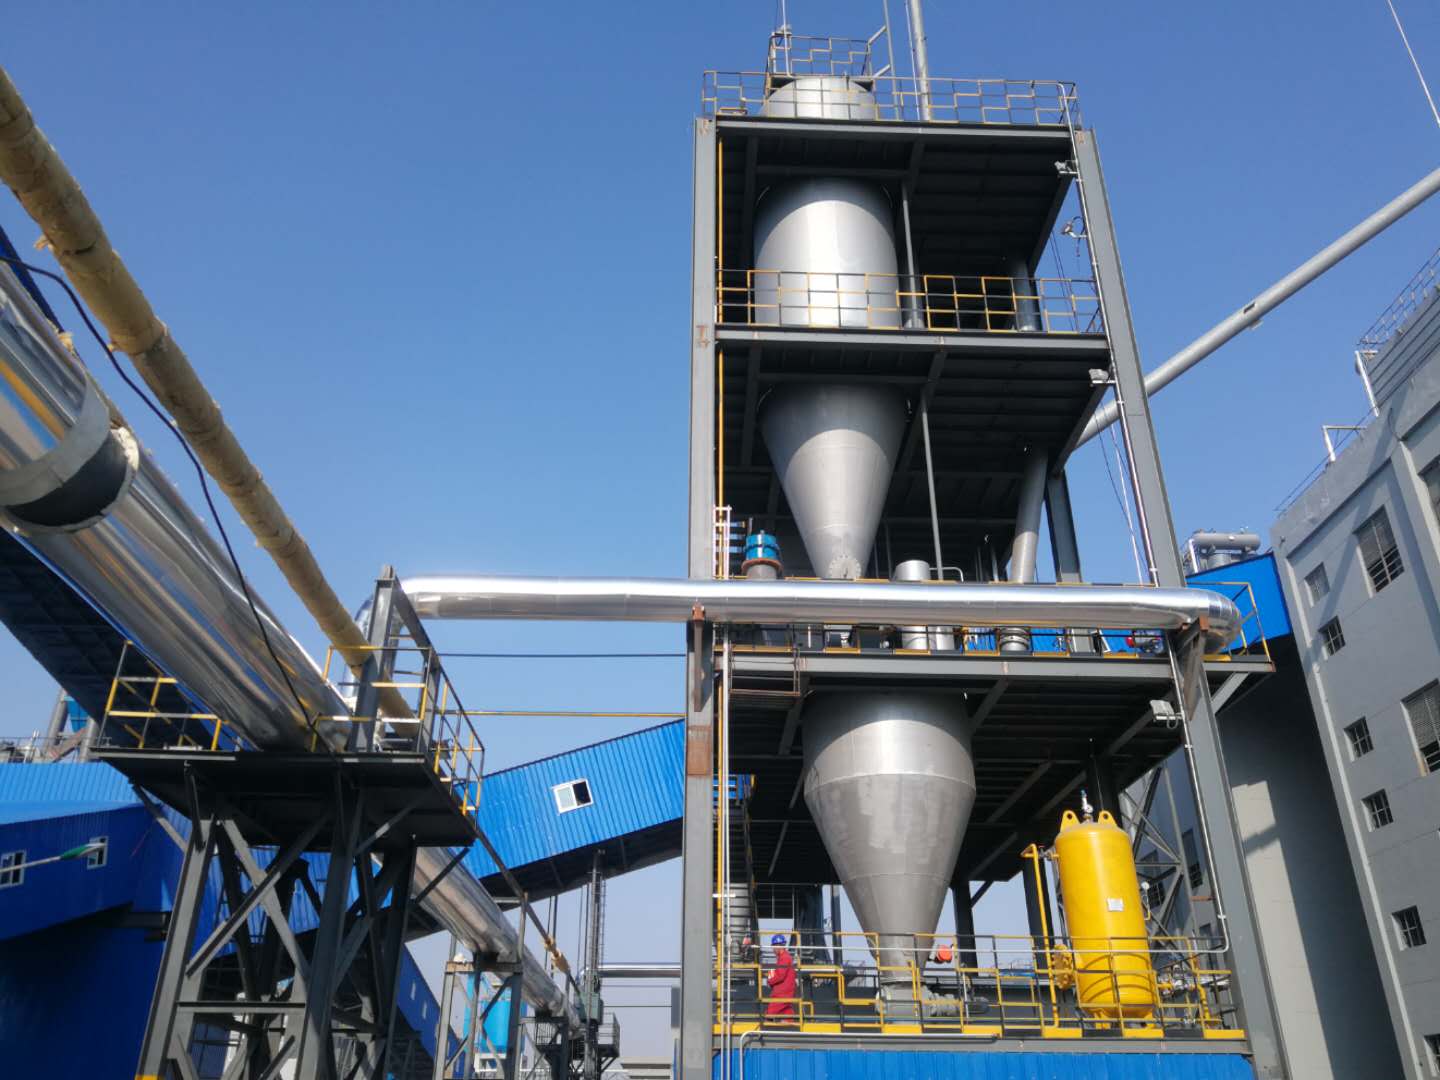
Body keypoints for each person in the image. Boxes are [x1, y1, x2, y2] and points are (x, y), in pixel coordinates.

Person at [764, 933, 798, 1022]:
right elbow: (779, 973)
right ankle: (790, 1026)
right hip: (786, 992)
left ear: (779, 946)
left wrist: (769, 980)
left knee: (770, 1013)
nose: (773, 949)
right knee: (787, 1012)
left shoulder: (784, 958)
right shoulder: (783, 957)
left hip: (783, 993)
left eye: (774, 946)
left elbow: (780, 975)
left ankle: (766, 1030)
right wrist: (771, 974)